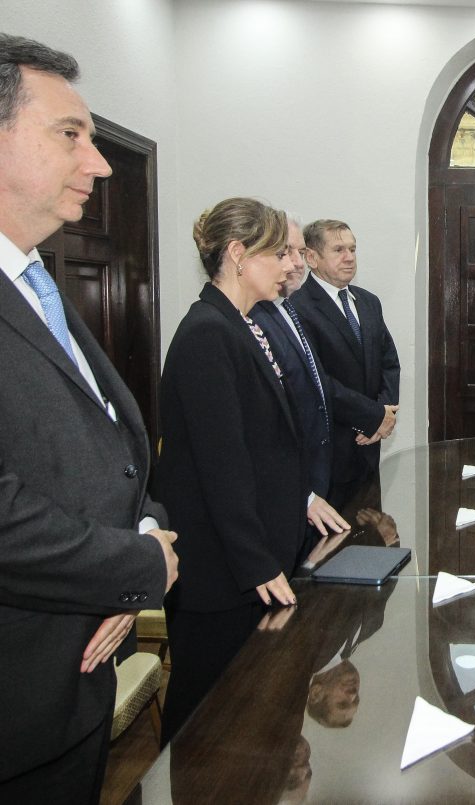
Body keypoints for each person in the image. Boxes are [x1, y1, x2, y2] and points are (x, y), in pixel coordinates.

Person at [0, 34, 178, 802]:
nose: (99, 165)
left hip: (70, 690)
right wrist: (140, 567)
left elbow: (114, 453)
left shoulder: (37, 279)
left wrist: (140, 536)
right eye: (70, 135)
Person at [157, 197, 307, 745]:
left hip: (248, 558)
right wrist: (257, 562)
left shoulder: (242, 324)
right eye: (277, 254)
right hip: (220, 573)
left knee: (248, 710)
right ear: (239, 254)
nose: (290, 265)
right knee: (206, 714)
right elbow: (222, 465)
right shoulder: (206, 333)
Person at [250, 217, 349, 557]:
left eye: (298, 252)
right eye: (284, 252)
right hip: (289, 494)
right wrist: (304, 494)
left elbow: (315, 383)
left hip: (313, 480)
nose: (294, 262)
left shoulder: (286, 309)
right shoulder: (254, 319)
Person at [291, 219, 401, 510]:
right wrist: (371, 416)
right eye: (338, 249)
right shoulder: (298, 308)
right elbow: (318, 381)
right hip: (331, 455)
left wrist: (384, 415)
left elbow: (389, 362)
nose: (349, 257)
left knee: (373, 543)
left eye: (353, 249)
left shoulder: (368, 302)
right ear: (312, 258)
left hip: (369, 449)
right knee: (335, 551)